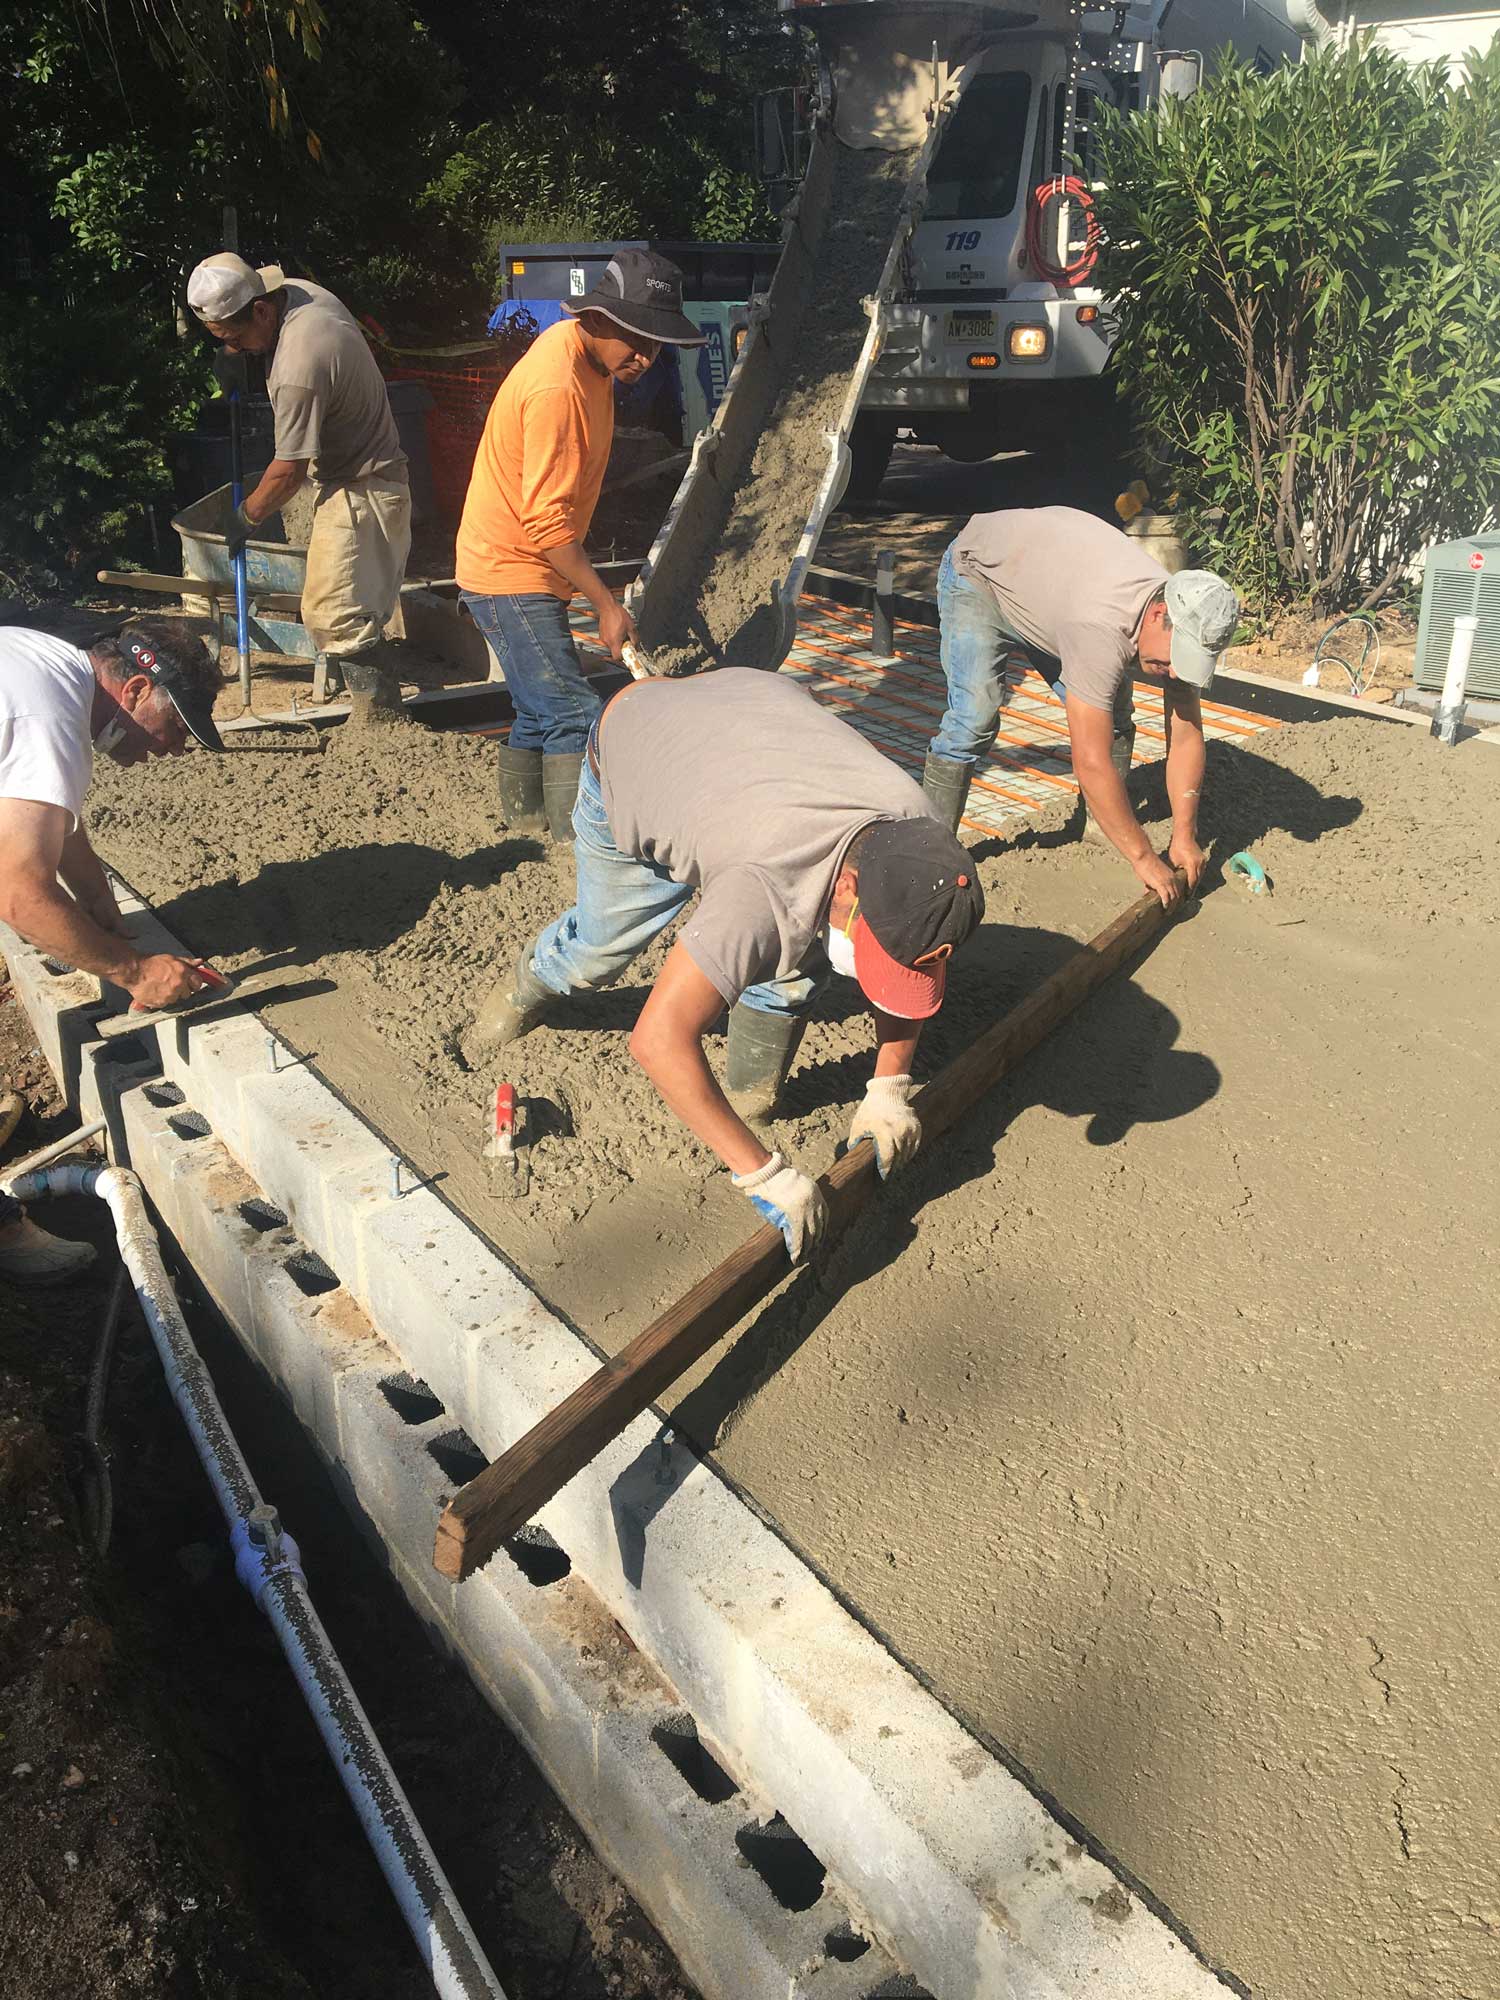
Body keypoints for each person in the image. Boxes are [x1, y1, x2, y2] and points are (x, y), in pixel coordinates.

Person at [471, 670, 984, 1262]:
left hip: (746, 731)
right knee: (602, 945)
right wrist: (761, 1173)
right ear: (848, 884)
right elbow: (657, 1040)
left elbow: (909, 956)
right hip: (638, 745)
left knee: (799, 956)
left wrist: (890, 1086)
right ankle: (521, 993)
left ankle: (748, 1096)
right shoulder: (762, 885)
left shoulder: (921, 841)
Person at [0, 618, 225, 1283]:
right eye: (174, 727)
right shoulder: (46, 715)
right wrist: (134, 971)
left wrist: (96, 899)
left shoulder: (47, 669)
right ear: (134, 690)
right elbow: (20, 896)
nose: (173, 749)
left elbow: (47, 812)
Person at [455, 251, 707, 842]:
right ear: (597, 318)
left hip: (514, 563)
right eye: (636, 341)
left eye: (657, 345)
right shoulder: (557, 386)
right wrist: (606, 604)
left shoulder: (585, 358)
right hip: (510, 569)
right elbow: (546, 525)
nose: (645, 358)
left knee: (537, 708)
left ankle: (526, 824)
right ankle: (581, 847)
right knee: (574, 712)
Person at [921, 507, 1240, 909]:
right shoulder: (1100, 628)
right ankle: (929, 855)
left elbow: (1186, 735)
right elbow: (1090, 761)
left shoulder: (1182, 612)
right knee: (974, 719)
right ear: (1159, 614)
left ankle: (1103, 834)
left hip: (1049, 592)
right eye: (1177, 656)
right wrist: (1144, 858)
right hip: (980, 575)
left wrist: (1184, 835)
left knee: (1115, 717)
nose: (1176, 672)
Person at [186, 251, 411, 720]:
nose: (237, 348)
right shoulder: (298, 293)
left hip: (364, 486)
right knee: (337, 603)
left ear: (261, 310)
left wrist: (244, 517)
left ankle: (382, 719)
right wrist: (235, 353)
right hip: (345, 472)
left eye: (236, 339)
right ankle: (374, 710)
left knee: (334, 612)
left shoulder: (298, 367)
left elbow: (288, 471)